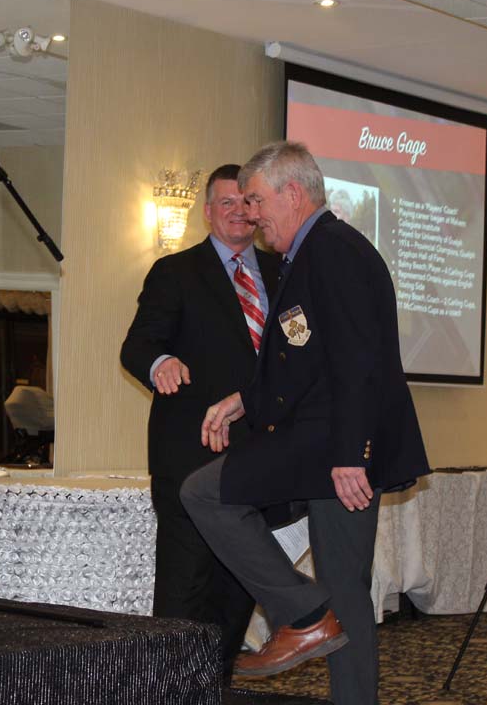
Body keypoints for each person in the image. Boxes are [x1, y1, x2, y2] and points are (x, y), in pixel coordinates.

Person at [181, 142, 429, 705]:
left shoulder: (334, 251)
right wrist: (244, 401)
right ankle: (315, 621)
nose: (251, 215)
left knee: (204, 493)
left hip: (331, 448)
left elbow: (357, 361)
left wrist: (351, 455)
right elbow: (305, 360)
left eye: (256, 200)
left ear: (292, 193)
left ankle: (302, 612)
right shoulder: (315, 251)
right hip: (326, 442)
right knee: (346, 591)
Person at [120, 163, 280, 676]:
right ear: (208, 211)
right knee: (184, 588)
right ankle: (168, 686)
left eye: (246, 203)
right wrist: (160, 362)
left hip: (260, 458)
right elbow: (137, 345)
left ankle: (216, 682)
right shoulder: (176, 272)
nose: (238, 212)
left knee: (238, 588)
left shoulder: (282, 270)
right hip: (190, 458)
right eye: (226, 203)